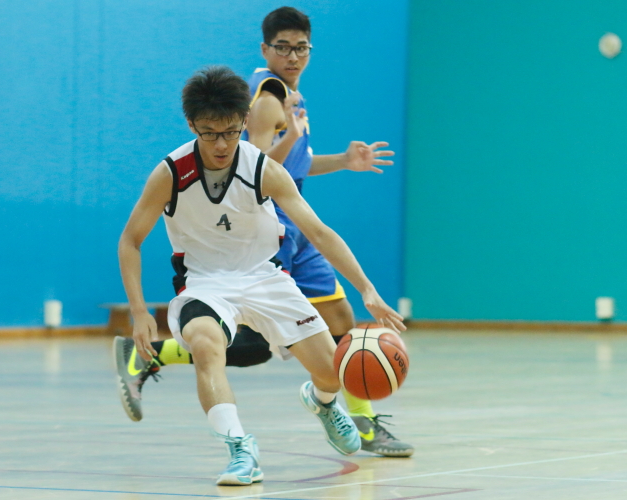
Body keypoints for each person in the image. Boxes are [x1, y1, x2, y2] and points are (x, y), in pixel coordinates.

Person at [114, 6, 415, 458]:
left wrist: (368, 289)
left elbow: (312, 213)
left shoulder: (275, 138)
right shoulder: (253, 110)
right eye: (209, 133)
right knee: (222, 345)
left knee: (335, 349)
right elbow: (132, 238)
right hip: (218, 270)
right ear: (193, 126)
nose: (220, 144)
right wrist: (139, 311)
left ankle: (329, 402)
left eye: (230, 133)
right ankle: (239, 445)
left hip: (269, 262)